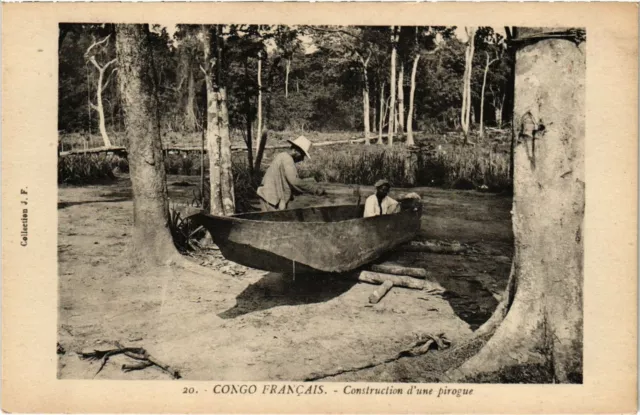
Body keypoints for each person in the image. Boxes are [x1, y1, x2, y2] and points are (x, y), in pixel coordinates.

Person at [256, 136, 325, 211]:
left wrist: (309, 181)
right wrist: (314, 189)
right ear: (296, 150)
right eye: (302, 155)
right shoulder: (287, 159)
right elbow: (294, 181)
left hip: (268, 197)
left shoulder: (283, 156)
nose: (302, 159)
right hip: (270, 198)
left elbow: (287, 180)